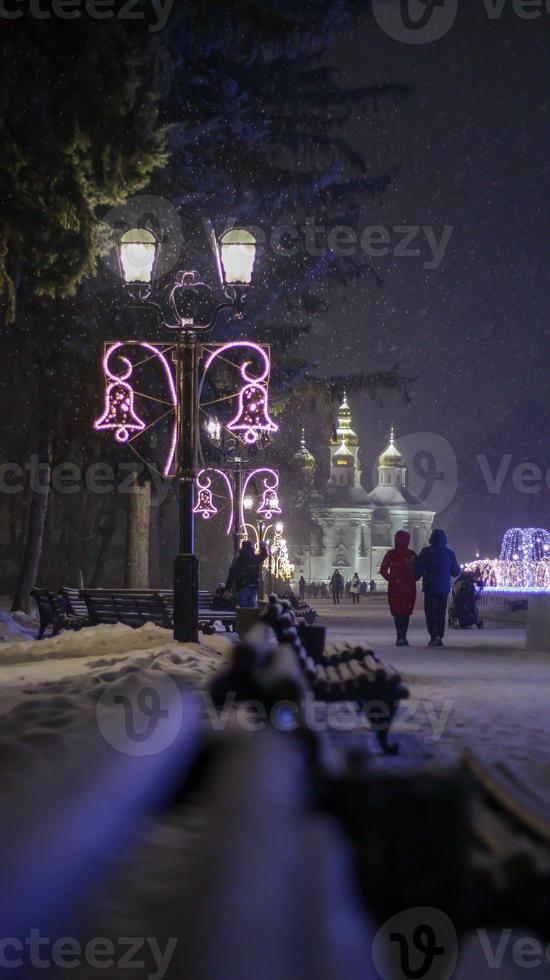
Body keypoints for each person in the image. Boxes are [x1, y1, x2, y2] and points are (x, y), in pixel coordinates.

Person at [414, 528, 461, 647]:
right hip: (443, 588)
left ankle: (434, 634)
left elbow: (417, 569)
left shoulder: (426, 552)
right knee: (441, 612)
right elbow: (456, 572)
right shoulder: (450, 553)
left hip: (430, 587)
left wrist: (418, 574)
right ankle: (439, 635)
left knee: (430, 612)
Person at [380, 531, 418, 646]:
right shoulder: (411, 554)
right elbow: (419, 569)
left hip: (394, 587)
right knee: (405, 612)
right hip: (408, 587)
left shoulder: (391, 554)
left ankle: (399, 636)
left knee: (397, 612)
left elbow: (383, 570)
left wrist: (391, 579)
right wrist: (412, 579)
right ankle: (403, 636)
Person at [225, 540, 268, 608]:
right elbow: (264, 555)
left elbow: (231, 575)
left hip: (243, 585)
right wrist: (263, 546)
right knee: (251, 609)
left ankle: (246, 617)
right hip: (253, 585)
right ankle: (250, 617)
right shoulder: (254, 558)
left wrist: (227, 588)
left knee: (244, 609)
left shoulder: (239, 560)